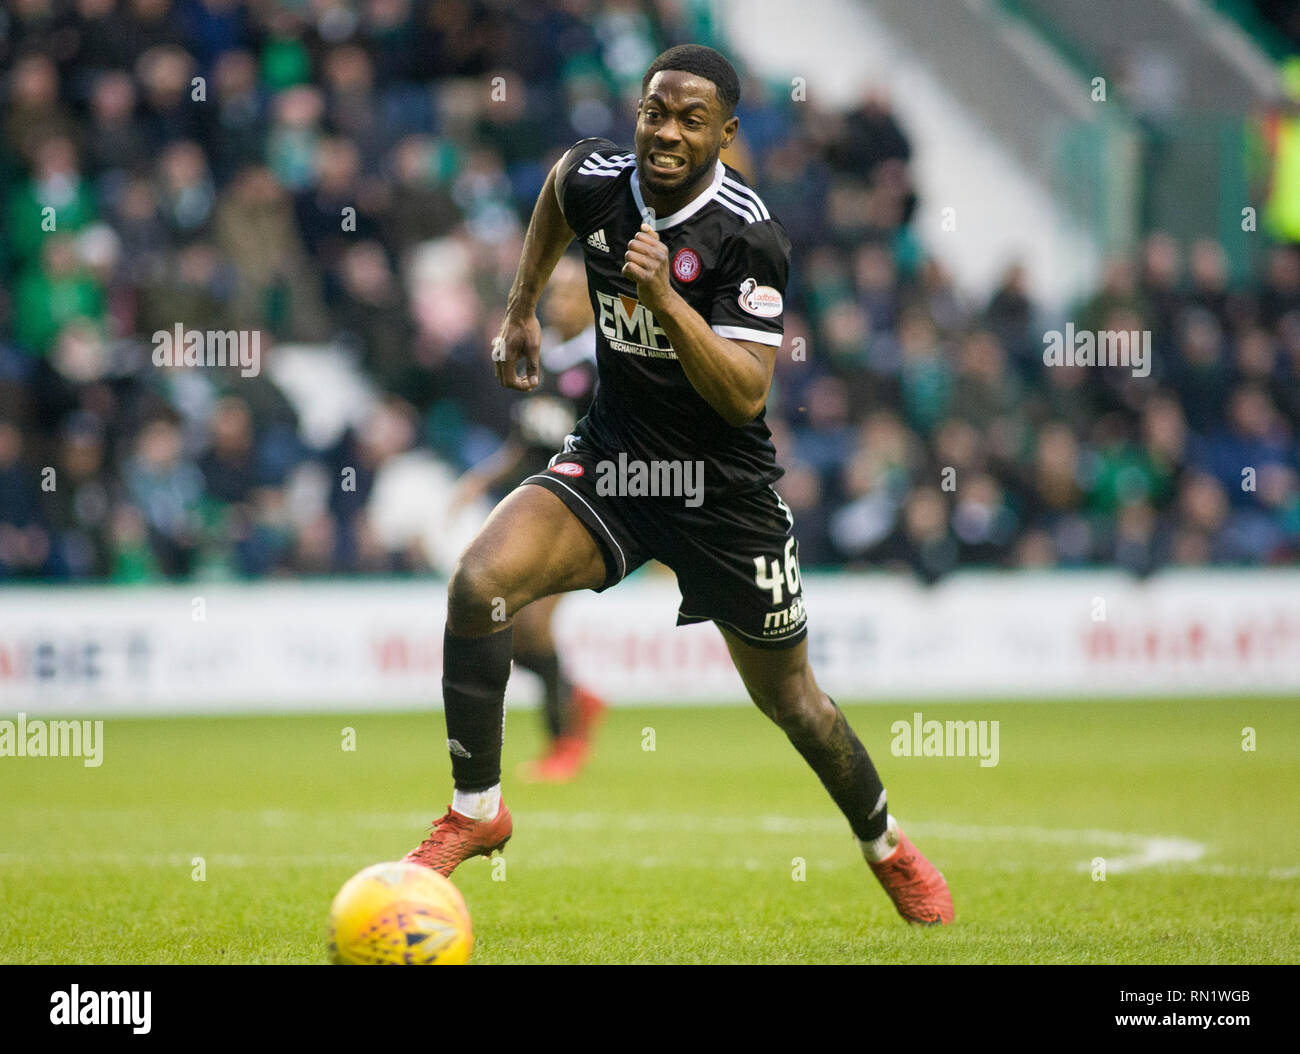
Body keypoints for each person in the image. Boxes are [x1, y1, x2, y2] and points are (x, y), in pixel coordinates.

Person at [404, 44, 953, 926]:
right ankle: (477, 811)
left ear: (725, 134)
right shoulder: (596, 180)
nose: (666, 131)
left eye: (691, 119)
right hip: (616, 464)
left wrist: (667, 305)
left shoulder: (749, 236)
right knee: (479, 584)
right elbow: (555, 192)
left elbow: (744, 393)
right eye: (655, 111)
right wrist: (518, 310)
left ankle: (886, 845)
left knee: (796, 703)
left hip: (723, 495)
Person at [447, 255, 607, 782]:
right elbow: (526, 444)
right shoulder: (545, 361)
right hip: (542, 511)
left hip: (589, 512)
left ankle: (565, 745)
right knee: (505, 625)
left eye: (567, 292)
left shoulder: (608, 362)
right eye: (552, 292)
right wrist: (477, 481)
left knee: (529, 624)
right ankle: (576, 699)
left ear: (594, 298)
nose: (555, 301)